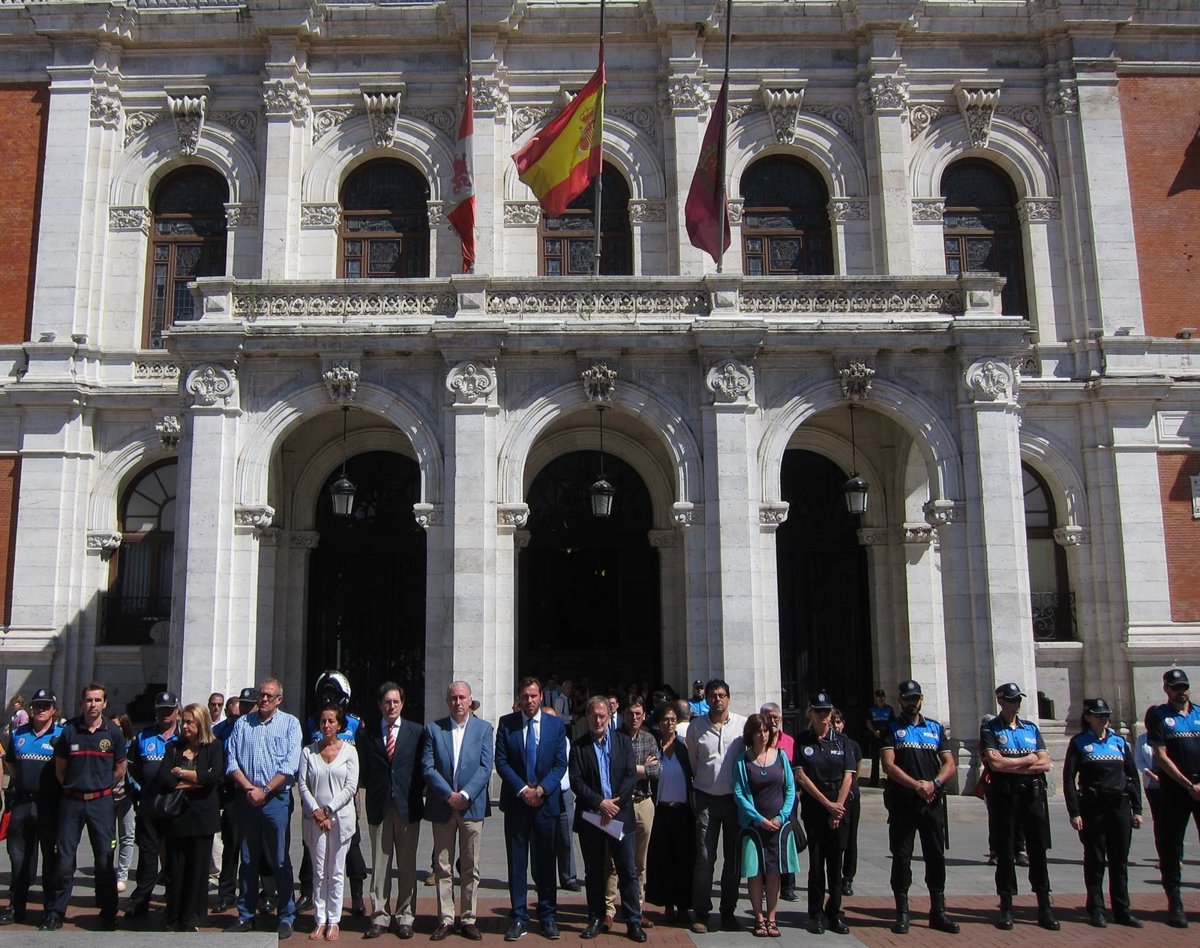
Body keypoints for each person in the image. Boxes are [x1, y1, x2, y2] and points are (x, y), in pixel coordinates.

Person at [44, 682, 127, 932]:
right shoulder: (69, 731)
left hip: (101, 802)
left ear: (105, 703)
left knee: (104, 859)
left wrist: (102, 787)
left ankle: (108, 913)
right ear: (82, 703)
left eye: (97, 700)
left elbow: (120, 768)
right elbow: (60, 768)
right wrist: (73, 787)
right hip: (72, 801)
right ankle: (56, 912)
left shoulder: (113, 732)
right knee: (64, 860)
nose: (93, 705)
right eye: (89, 700)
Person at [878, 680, 959, 934]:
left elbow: (949, 763)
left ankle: (938, 911)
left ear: (921, 699)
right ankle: (902, 912)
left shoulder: (935, 728)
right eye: (907, 698)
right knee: (901, 856)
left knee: (935, 856)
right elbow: (888, 765)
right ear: (900, 700)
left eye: (915, 698)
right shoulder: (891, 728)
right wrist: (916, 785)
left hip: (931, 802)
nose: (911, 703)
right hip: (904, 802)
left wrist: (934, 784)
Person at [224, 677, 303, 939]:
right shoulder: (242, 724)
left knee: (279, 858)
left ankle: (286, 915)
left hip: (276, 800)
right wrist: (250, 789)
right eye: (262, 694)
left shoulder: (290, 724)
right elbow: (232, 761)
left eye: (270, 695)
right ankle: (245, 915)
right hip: (247, 799)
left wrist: (265, 790)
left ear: (279, 699)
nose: (265, 699)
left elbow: (290, 764)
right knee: (248, 859)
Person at [495, 676, 569, 941]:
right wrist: (523, 790)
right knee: (517, 863)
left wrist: (541, 790)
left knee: (546, 861)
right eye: (525, 696)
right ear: (519, 698)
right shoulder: (507, 723)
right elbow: (501, 762)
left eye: (533, 696)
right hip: (517, 804)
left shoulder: (555, 726)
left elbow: (560, 763)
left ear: (541, 697)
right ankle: (519, 916)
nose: (529, 700)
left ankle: (548, 916)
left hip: (546, 804)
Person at [569, 695, 647, 943]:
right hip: (592, 817)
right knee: (593, 871)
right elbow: (576, 781)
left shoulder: (623, 742)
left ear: (610, 716)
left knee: (627, 871)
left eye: (602, 715)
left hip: (619, 816)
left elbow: (630, 776)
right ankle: (595, 916)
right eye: (593, 715)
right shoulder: (579, 746)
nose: (598, 720)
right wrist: (600, 803)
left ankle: (633, 921)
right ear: (587, 717)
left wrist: (614, 805)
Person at [979, 682, 1056, 931]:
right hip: (1005, 795)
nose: (1016, 704)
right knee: (1005, 850)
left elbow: (1045, 763)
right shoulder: (990, 728)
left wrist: (1012, 763)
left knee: (1038, 848)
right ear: (1001, 701)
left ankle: (1044, 905)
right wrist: (1027, 760)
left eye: (1018, 699)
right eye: (1012, 700)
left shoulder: (1031, 728)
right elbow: (995, 764)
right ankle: (1006, 905)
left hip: (1032, 795)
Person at [422, 681, 494, 941]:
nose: (458, 702)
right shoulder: (434, 729)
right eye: (453, 698)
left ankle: (469, 918)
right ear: (447, 701)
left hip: (471, 807)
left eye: (462, 697)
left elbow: (486, 767)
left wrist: (465, 795)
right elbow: (428, 766)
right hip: (443, 806)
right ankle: (446, 918)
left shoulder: (484, 729)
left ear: (470, 700)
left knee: (470, 866)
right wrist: (449, 795)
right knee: (443, 866)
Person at [1063, 697, 1143, 928]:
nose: (1103, 719)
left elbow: (1132, 776)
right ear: (1088, 717)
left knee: (1120, 860)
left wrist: (1137, 809)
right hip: (1094, 807)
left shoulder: (1118, 742)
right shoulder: (1079, 743)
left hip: (1120, 807)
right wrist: (1074, 812)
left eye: (1106, 715)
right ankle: (1096, 908)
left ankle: (1122, 909)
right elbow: (1069, 779)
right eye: (1099, 715)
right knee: (1095, 859)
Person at [299, 672, 367, 918]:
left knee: (352, 845)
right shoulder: (311, 723)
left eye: (333, 695)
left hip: (345, 797)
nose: (328, 699)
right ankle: (307, 892)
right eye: (325, 694)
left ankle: (357, 894)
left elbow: (361, 759)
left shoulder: (355, 723)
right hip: (317, 798)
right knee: (311, 847)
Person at [360, 681, 425, 940]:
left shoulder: (416, 732)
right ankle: (380, 915)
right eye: (387, 702)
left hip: (407, 806)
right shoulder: (367, 734)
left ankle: (405, 916)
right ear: (380, 705)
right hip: (379, 806)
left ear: (402, 704)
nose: (392, 706)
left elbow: (421, 770)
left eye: (396, 702)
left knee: (407, 865)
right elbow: (364, 771)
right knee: (380, 864)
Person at [153, 703, 224, 932]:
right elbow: (164, 779)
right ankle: (173, 916)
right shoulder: (173, 748)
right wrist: (195, 780)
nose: (184, 726)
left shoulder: (213, 747)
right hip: (177, 816)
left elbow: (214, 778)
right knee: (176, 869)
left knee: (198, 870)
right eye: (183, 721)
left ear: (201, 723)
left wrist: (182, 774)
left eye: (189, 722)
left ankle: (192, 917)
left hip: (202, 817)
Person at [685, 678, 747, 934]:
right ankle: (701, 911)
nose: (717, 699)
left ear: (728, 698)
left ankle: (728, 911)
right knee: (704, 857)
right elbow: (693, 761)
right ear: (707, 698)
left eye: (722, 695)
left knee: (733, 858)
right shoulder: (696, 727)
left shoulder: (742, 725)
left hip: (733, 801)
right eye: (713, 695)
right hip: (706, 799)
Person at [793, 692, 855, 935]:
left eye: (826, 711)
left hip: (838, 806)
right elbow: (801, 776)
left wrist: (837, 807)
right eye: (818, 711)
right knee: (817, 865)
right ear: (811, 713)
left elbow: (849, 775)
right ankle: (816, 914)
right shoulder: (802, 741)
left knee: (835, 864)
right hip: (816, 806)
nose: (823, 715)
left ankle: (834, 912)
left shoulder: (842, 741)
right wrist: (827, 804)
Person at [732, 713, 798, 939]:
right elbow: (739, 793)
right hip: (754, 825)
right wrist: (758, 818)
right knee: (755, 873)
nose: (763, 735)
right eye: (758, 731)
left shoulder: (780, 756)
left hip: (778, 825)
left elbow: (790, 789)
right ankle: (758, 917)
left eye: (766, 730)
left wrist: (782, 816)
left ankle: (772, 917)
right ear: (750, 734)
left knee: (773, 873)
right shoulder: (742, 761)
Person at [0, 689, 62, 927]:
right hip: (23, 803)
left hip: (48, 805)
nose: (41, 710)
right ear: (31, 709)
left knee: (50, 860)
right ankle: (17, 907)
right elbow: (11, 765)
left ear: (54, 710)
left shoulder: (61, 735)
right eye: (37, 705)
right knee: (19, 859)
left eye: (46, 706)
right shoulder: (19, 734)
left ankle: (50, 910)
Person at [1144, 667, 1200, 928]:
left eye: (1184, 687)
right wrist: (1188, 785)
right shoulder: (1159, 716)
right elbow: (1161, 756)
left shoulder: (1198, 713)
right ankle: (1175, 902)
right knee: (1170, 846)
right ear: (1166, 689)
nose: (1181, 692)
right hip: (1175, 789)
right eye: (1176, 688)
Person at [602, 695, 659, 929]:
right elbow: (610, 769)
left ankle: (637, 907)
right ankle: (608, 909)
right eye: (630, 713)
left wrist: (630, 769)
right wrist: (640, 768)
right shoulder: (614, 738)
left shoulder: (649, 738)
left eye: (638, 714)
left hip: (643, 802)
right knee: (613, 860)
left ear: (644, 716)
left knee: (639, 861)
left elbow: (655, 771)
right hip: (619, 804)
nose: (634, 718)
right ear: (622, 715)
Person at [126, 690, 181, 920]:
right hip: (149, 805)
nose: (165, 715)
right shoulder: (143, 737)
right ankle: (141, 900)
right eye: (161, 711)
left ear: (177, 711)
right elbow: (132, 766)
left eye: (169, 710)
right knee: (147, 855)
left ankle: (173, 900)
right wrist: (144, 788)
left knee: (174, 857)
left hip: (175, 806)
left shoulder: (183, 737)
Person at [643, 703, 694, 925]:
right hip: (660, 811)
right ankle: (667, 905)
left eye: (673, 719)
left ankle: (683, 906)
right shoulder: (653, 748)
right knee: (663, 860)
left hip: (682, 811)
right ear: (659, 723)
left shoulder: (684, 748)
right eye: (666, 719)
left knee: (684, 859)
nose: (670, 723)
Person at [212, 687, 256, 914]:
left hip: (258, 791)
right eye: (241, 708)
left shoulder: (261, 727)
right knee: (231, 846)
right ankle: (226, 894)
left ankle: (262, 893)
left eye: (249, 706)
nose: (244, 711)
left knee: (258, 847)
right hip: (232, 790)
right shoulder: (222, 730)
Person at [831, 709, 861, 897]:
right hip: (832, 797)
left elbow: (856, 770)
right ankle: (834, 875)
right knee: (835, 839)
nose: (836, 726)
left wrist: (848, 788)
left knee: (851, 838)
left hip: (851, 796)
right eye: (833, 722)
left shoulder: (852, 745)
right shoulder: (825, 744)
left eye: (839, 722)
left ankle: (848, 877)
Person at [111, 714, 136, 894]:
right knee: (107, 837)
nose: (115, 730)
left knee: (127, 836)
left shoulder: (132, 744)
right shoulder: (105, 743)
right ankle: (105, 870)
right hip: (107, 796)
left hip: (127, 796)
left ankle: (122, 875)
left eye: (119, 726)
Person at [864, 689, 893, 787]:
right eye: (879, 697)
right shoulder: (871, 710)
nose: (881, 698)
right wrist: (874, 731)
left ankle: (890, 780)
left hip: (886, 737)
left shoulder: (889, 709)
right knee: (875, 760)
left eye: (882, 696)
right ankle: (874, 781)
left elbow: (892, 722)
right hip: (875, 737)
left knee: (888, 760)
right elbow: (868, 723)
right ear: (876, 698)